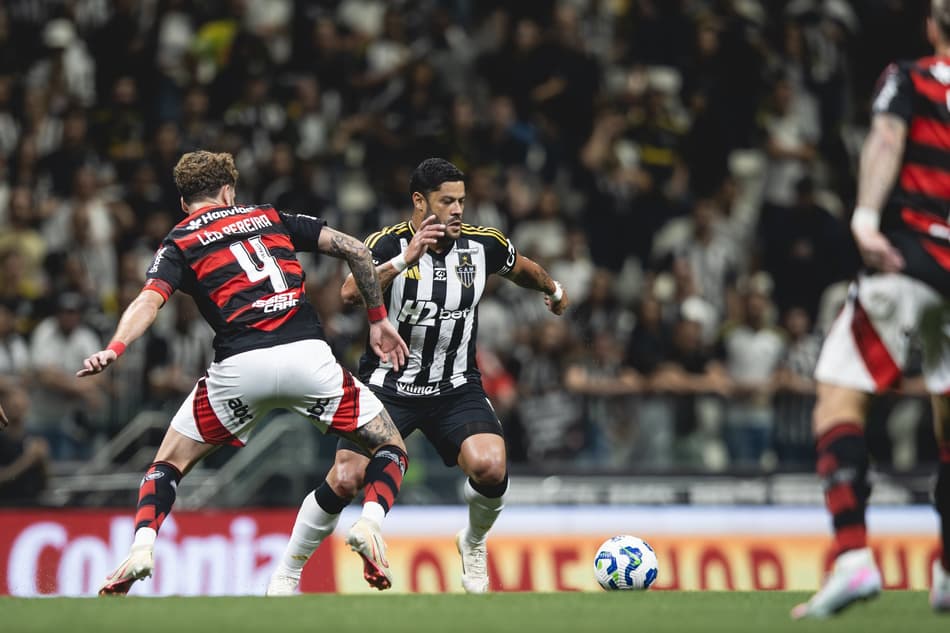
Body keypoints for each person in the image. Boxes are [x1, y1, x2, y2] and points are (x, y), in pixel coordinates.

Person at [77, 150, 411, 596]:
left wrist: (115, 347)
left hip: (239, 369)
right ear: (229, 191)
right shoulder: (269, 216)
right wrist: (377, 317)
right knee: (389, 445)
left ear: (183, 202)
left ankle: (141, 546)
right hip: (307, 359)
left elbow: (148, 301)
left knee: (168, 464)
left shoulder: (179, 240)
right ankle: (370, 523)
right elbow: (355, 249)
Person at [267, 158, 569, 595]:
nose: (458, 210)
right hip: (388, 384)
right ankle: (287, 572)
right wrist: (403, 261)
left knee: (490, 466)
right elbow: (350, 293)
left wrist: (553, 290)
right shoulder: (387, 242)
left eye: (462, 201)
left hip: (454, 385)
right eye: (447, 201)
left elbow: (520, 266)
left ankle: (474, 542)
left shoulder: (482, 245)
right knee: (347, 477)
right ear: (419, 201)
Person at [792, 1, 950, 618]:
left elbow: (886, 137)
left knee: (838, 394)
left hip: (910, 264)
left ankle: (854, 558)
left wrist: (863, 215)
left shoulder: (909, 78)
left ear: (931, 25)